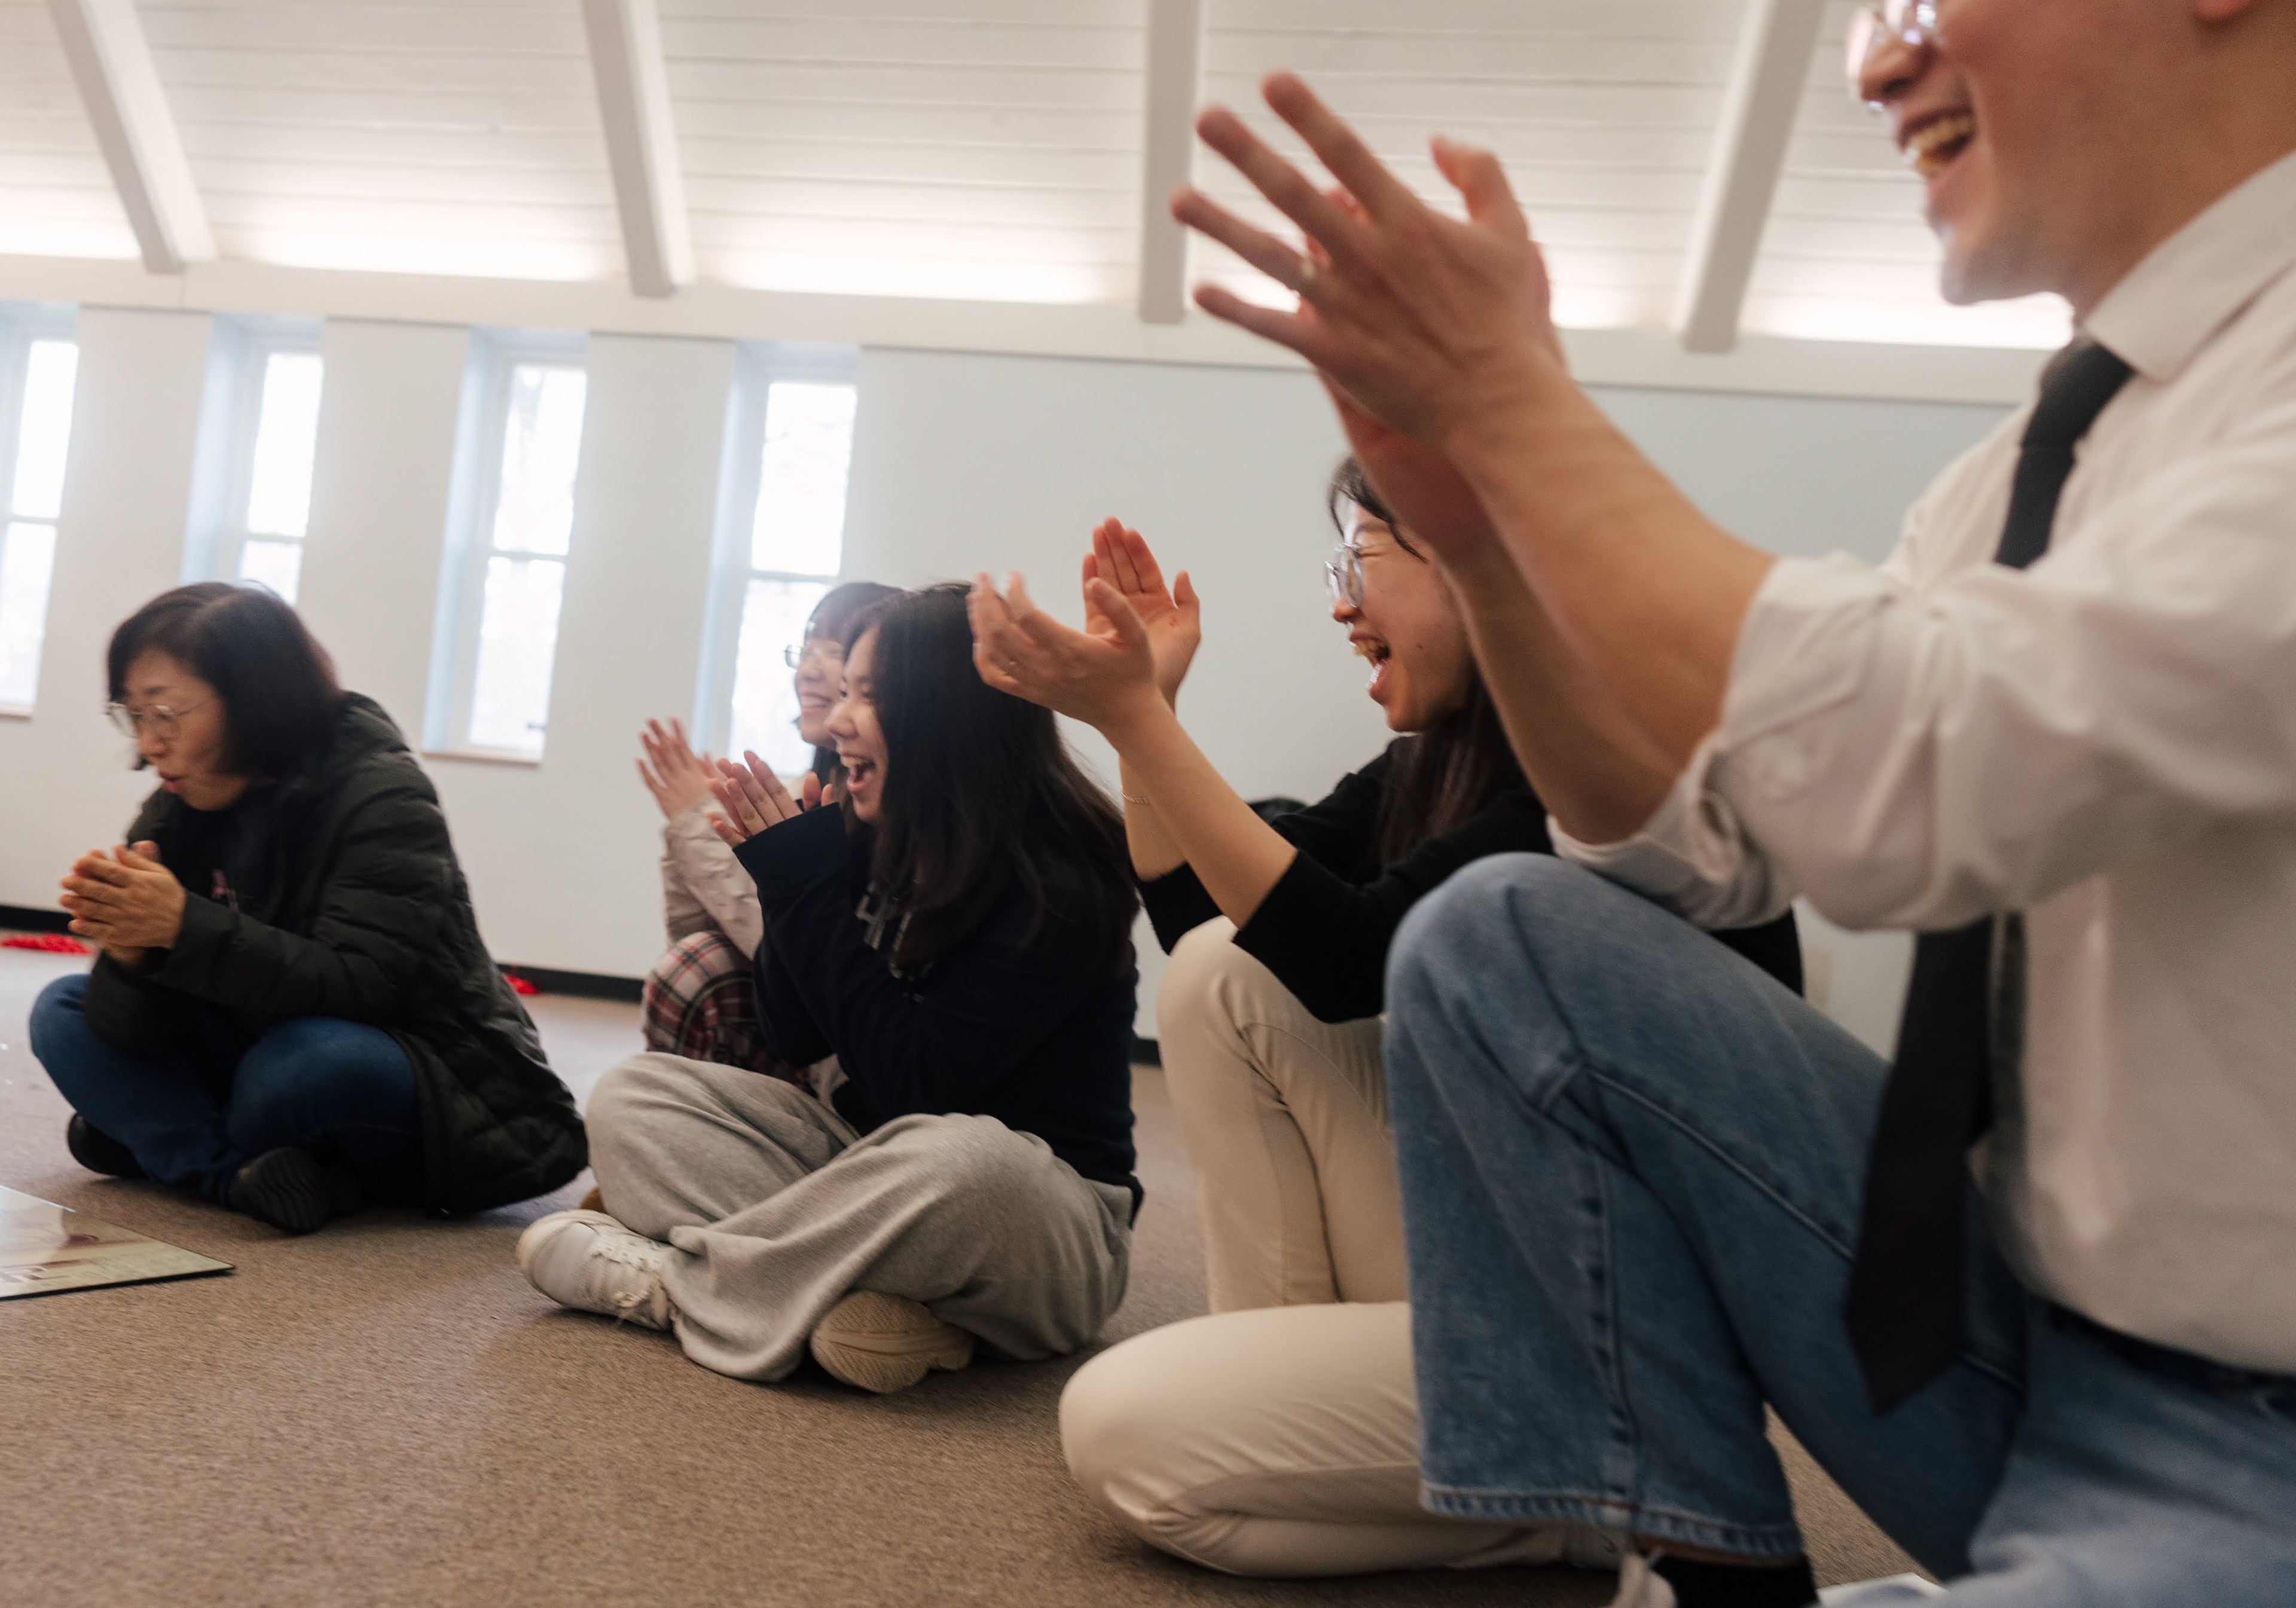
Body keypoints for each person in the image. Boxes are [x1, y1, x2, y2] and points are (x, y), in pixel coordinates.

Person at [1167, 2, 2296, 1603]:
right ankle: (1696, 1570)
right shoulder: (2017, 469)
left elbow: (1925, 769)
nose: (1875, 61)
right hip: (2021, 1338)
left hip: (2257, 1437)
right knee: (1499, 933)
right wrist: (1482, 542)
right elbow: (1685, 848)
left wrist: (1519, 418)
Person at [969, 475, 1798, 1577]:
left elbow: (1345, 955)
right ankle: (1530, 1495)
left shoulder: (1604, 773)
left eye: (1359, 562)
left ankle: (1598, 1482)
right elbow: (1208, 921)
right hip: (1519, 1252)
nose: (1341, 604)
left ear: (1472, 563)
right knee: (1222, 974)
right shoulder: (1438, 758)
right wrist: (1146, 717)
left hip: (1629, 1336)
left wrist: (1136, 718)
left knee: (1121, 1431)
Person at [517, 584, 1143, 1396]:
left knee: (972, 1160)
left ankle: (675, 1285)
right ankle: (890, 1306)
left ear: (945, 712)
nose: (838, 719)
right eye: (843, 691)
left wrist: (809, 885)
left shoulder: (1062, 877)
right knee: (635, 1097)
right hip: (869, 1173)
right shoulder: (886, 831)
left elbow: (919, 1083)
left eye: (868, 695)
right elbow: (797, 1033)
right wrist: (790, 885)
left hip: (1038, 1218)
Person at [30, 583, 585, 1234]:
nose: (150, 743)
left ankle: (160, 1142)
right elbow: (133, 1033)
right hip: (260, 1040)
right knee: (63, 1009)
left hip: (433, 1074)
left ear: (251, 699)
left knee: (299, 1069)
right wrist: (131, 959)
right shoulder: (181, 803)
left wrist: (181, 927)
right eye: (134, 715)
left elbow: (360, 984)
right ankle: (230, 1175)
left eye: (165, 712)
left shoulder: (382, 794)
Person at [634, 580, 894, 1078]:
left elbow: (811, 955)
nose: (809, 669)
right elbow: (696, 938)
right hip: (805, 1033)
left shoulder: (880, 805)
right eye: (807, 649)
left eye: (833, 650)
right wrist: (694, 826)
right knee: (691, 969)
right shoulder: (804, 790)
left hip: (856, 1055)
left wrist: (697, 824)